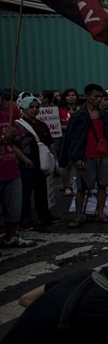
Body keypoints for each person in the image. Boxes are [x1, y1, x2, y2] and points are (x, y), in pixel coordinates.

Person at [60, 84, 108, 227]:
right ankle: (79, 216)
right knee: (81, 188)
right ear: (87, 96)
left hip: (103, 155)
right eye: (95, 96)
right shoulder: (79, 115)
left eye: (100, 97)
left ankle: (100, 214)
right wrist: (76, 158)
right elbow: (73, 138)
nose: (98, 99)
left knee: (102, 185)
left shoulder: (105, 114)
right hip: (86, 156)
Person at [15, 97, 60, 227]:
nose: (34, 110)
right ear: (24, 109)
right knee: (26, 193)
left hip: (41, 163)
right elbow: (16, 145)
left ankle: (44, 215)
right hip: (26, 163)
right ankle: (25, 220)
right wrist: (25, 159)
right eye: (31, 107)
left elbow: (49, 141)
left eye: (36, 107)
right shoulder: (18, 125)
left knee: (42, 191)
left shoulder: (42, 125)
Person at [1, 93, 36, 248]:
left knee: (14, 205)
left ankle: (11, 236)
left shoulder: (5, 117)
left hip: (11, 169)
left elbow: (17, 139)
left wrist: (13, 136)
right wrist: (3, 139)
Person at [59, 88, 79, 197]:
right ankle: (66, 186)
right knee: (67, 164)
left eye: (73, 95)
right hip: (65, 139)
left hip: (78, 140)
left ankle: (78, 185)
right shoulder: (60, 110)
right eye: (68, 95)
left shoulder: (81, 109)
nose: (71, 97)